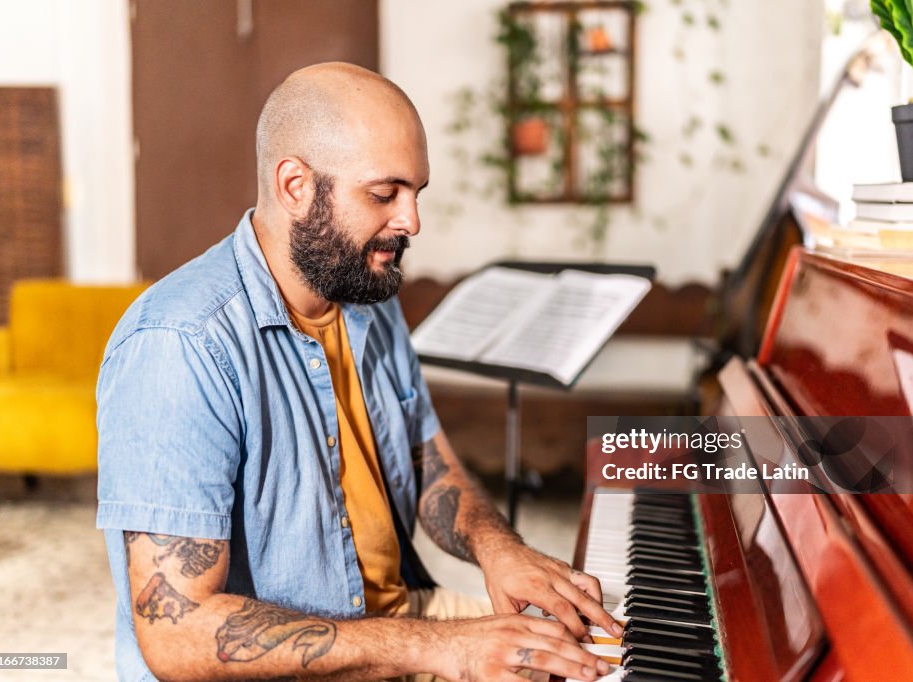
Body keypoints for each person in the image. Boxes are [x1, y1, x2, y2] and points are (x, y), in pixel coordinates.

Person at [96, 62, 622, 682]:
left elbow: (427, 463)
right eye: (384, 194)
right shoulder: (179, 344)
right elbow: (176, 633)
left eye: (416, 192)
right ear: (295, 186)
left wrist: (501, 550)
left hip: (397, 627)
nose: (412, 221)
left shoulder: (368, 292)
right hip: (308, 667)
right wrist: (444, 648)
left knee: (608, 655)